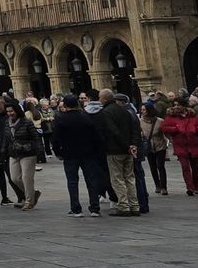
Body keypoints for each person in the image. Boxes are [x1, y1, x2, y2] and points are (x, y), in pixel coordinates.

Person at [52, 93, 106, 217]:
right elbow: (96, 136)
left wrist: (58, 153)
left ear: (64, 105)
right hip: (88, 154)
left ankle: (76, 209)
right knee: (91, 181)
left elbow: (55, 139)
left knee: (72, 182)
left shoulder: (61, 119)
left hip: (70, 154)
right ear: (77, 104)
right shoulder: (86, 117)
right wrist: (97, 151)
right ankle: (94, 208)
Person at [94, 88, 139, 216]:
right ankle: (134, 205)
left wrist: (125, 146)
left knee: (117, 179)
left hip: (115, 150)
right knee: (130, 178)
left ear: (105, 99)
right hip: (128, 150)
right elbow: (134, 129)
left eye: (100, 97)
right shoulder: (125, 110)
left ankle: (124, 206)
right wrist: (132, 145)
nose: (99, 100)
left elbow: (113, 131)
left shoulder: (106, 112)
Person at [160, 99, 198, 195]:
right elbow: (164, 128)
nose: (176, 107)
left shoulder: (192, 116)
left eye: (178, 105)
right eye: (174, 105)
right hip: (180, 145)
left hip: (193, 145)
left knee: (195, 168)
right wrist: (175, 129)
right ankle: (190, 187)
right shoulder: (171, 117)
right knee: (185, 167)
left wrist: (195, 129)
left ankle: (197, 186)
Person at [7, 101, 42, 210]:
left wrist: (37, 150)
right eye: (7, 111)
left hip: (28, 152)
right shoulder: (7, 122)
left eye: (11, 111)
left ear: (17, 110)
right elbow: (6, 137)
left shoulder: (26, 122)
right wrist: (4, 149)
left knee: (27, 177)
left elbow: (35, 137)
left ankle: (29, 201)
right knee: (15, 178)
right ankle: (32, 193)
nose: (9, 113)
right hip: (14, 152)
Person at [142, 101, 170, 196]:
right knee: (152, 166)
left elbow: (166, 133)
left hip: (160, 145)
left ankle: (163, 187)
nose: (142, 111)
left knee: (160, 166)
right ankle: (157, 185)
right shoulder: (140, 121)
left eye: (144, 110)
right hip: (149, 146)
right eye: (141, 110)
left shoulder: (160, 121)